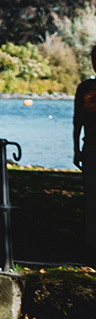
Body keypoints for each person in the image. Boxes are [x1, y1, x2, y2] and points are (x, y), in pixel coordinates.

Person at [73, 47, 96, 246]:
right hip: (90, 147)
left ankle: (90, 237)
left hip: (89, 147)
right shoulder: (85, 89)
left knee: (91, 195)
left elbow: (77, 121)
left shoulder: (85, 89)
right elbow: (77, 120)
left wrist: (76, 150)